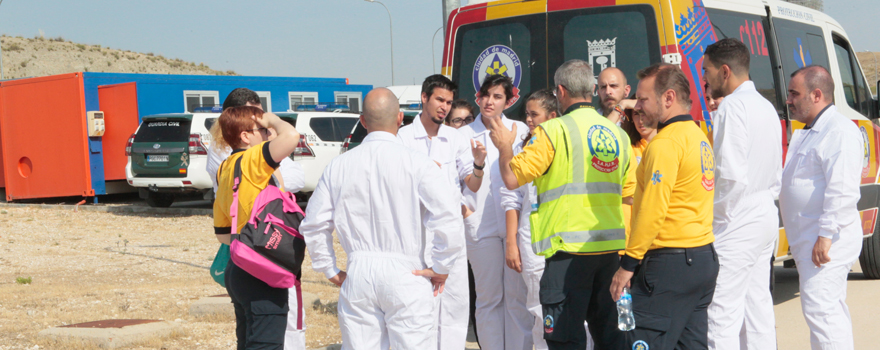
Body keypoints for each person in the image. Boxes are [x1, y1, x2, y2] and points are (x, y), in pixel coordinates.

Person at [299, 88, 464, 349]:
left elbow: (314, 224)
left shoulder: (339, 166)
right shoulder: (419, 163)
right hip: (408, 272)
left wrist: (329, 268)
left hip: (359, 271)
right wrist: (442, 267)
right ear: (400, 119)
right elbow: (449, 217)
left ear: (363, 122)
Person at [490, 59, 632, 350]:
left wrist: (504, 146)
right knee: (611, 339)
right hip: (609, 254)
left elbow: (511, 178)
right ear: (592, 90)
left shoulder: (552, 132)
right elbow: (629, 194)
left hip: (568, 254)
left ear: (561, 92)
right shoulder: (617, 134)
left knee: (565, 339)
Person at [609, 63, 719, 350]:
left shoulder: (665, 143)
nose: (639, 107)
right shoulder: (697, 136)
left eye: (644, 99)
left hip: (670, 263)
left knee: (641, 341)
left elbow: (653, 211)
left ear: (668, 98)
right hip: (701, 257)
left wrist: (628, 265)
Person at [701, 38, 782, 350]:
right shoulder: (765, 106)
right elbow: (776, 170)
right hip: (763, 212)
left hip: (736, 217)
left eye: (706, 71)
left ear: (724, 71)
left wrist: (715, 222)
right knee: (757, 310)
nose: (704, 79)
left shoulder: (732, 108)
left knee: (721, 315)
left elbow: (730, 176)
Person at [397, 74, 487, 350]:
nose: (444, 107)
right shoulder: (402, 137)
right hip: (416, 235)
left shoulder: (455, 138)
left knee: (454, 308)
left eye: (448, 102)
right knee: (418, 309)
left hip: (450, 236)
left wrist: (479, 165)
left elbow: (470, 184)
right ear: (424, 98)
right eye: (439, 100)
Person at [779, 65, 862, 349]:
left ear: (816, 94)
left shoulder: (838, 131)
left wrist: (825, 236)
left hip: (826, 241)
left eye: (794, 93)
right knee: (826, 311)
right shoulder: (813, 130)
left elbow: (842, 191)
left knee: (821, 311)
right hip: (811, 239)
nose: (788, 100)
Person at [212, 106, 303, 350]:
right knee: (266, 345)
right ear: (245, 136)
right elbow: (292, 136)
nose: (267, 133)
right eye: (262, 130)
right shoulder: (253, 159)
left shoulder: (225, 166)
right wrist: (274, 120)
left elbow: (222, 233)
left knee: (248, 341)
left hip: (237, 269)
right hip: (261, 270)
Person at [457, 74, 530, 350]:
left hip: (516, 226)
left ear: (509, 100)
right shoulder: (464, 135)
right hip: (480, 227)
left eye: (497, 96)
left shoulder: (520, 131)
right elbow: (458, 180)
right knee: (488, 298)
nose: (489, 101)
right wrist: (465, 211)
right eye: (486, 95)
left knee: (516, 298)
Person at [498, 89, 558, 350]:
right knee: (539, 312)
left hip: (565, 241)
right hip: (532, 242)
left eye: (535, 115)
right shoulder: (522, 149)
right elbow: (511, 198)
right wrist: (511, 243)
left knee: (570, 315)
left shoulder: (565, 145)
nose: (529, 120)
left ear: (553, 116)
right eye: (527, 114)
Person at [207, 88, 304, 195]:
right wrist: (275, 121)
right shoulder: (222, 148)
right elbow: (268, 184)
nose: (261, 121)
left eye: (261, 115)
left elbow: (298, 179)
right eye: (255, 116)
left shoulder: (258, 145)